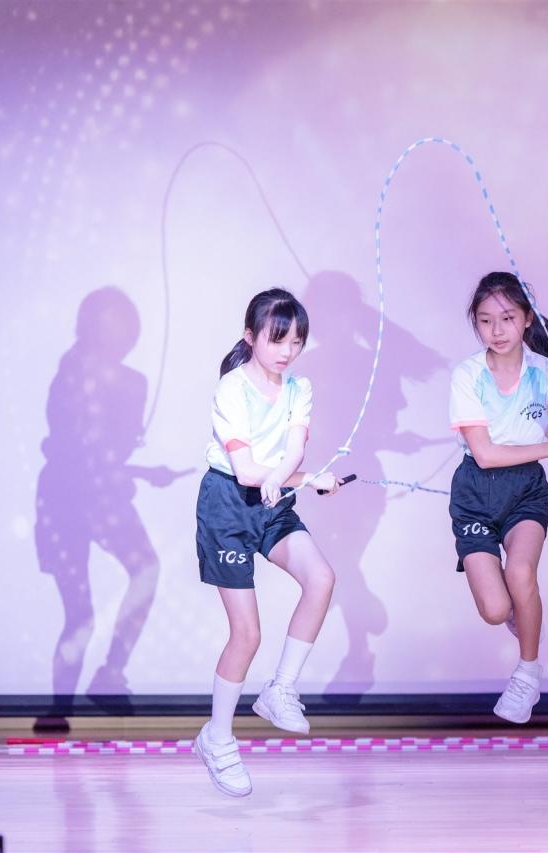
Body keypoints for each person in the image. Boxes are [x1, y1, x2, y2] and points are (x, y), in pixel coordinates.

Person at [192, 287, 345, 797]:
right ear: (250, 336)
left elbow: (293, 449)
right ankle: (217, 739)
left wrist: (291, 477)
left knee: (321, 578)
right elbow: (244, 470)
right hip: (227, 505)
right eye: (277, 340)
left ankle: (280, 689)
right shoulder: (232, 390)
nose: (287, 351)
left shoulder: (299, 389)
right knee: (247, 634)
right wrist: (303, 480)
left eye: (296, 342)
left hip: (271, 499)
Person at [448, 271, 548, 724]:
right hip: (475, 492)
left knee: (521, 572)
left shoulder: (546, 371)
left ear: (527, 319)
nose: (496, 330)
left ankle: (527, 674)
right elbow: (485, 453)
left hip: (526, 490)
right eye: (485, 321)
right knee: (497, 609)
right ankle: (521, 613)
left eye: (507, 318)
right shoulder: (468, 375)